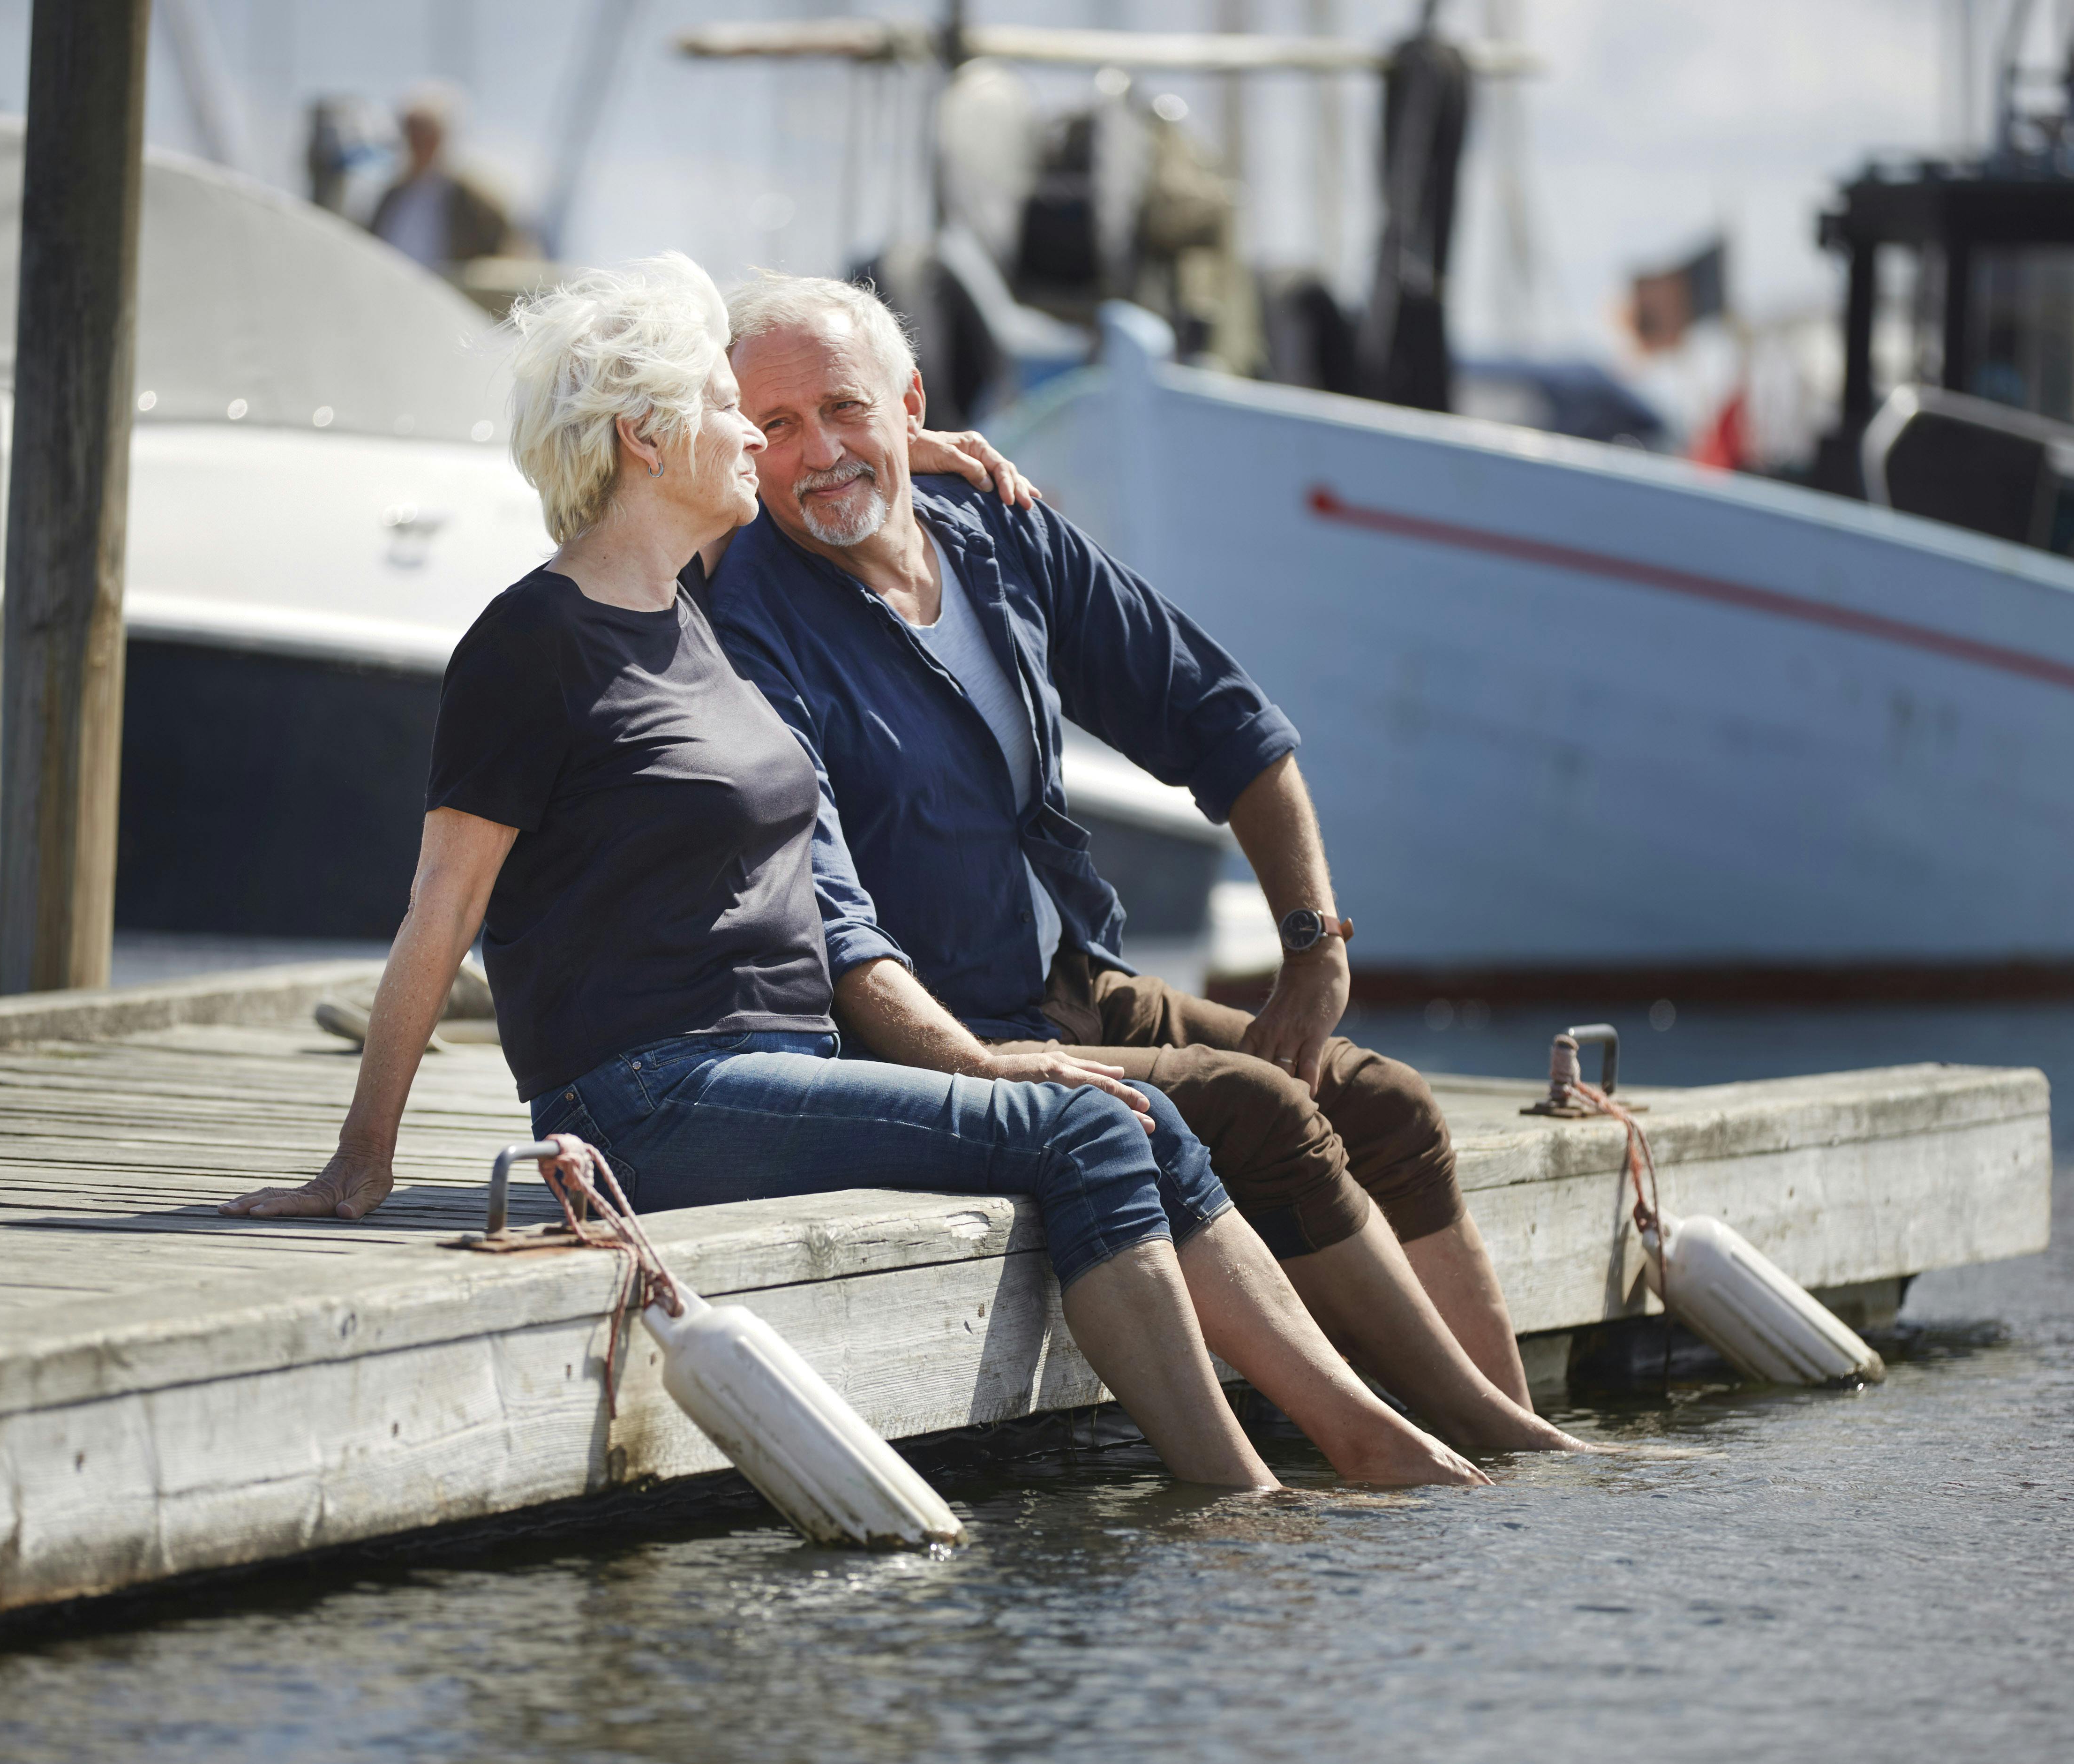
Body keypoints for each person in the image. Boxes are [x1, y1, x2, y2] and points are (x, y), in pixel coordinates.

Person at [219, 254, 1485, 1492]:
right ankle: (1248, 1495)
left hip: (783, 1066)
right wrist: (361, 1157)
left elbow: (829, 493)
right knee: (1097, 1126)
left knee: (1152, 1114)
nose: (770, 446)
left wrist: (900, 450)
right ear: (653, 439)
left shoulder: (686, 616)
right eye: (739, 415)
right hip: (647, 1095)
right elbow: (441, 909)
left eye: (807, 419)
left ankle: (1368, 1444)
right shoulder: (539, 639)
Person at [702, 272, 1584, 1456]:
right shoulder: (749, 602)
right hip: (923, 1026)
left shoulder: (998, 529)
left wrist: (1312, 949)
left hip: (1067, 971)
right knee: (1262, 1112)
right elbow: (832, 915)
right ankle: (1466, 1448)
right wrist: (976, 1062)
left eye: (844, 409)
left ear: (909, 403)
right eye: (777, 428)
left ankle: (1506, 1432)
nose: (818, 453)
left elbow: (1222, 720)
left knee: (1386, 1103)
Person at [368, 84, 518, 274]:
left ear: (442, 137)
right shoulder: (392, 196)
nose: (417, 143)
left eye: (425, 135)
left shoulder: (476, 201)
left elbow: (506, 257)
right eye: (412, 133)